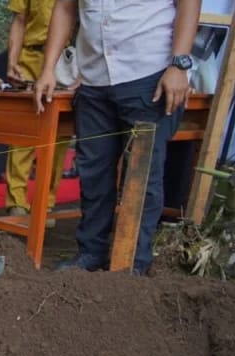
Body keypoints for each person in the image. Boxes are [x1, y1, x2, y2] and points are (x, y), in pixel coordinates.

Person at [36, 0, 199, 275]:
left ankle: (132, 262)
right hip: (93, 78)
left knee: (141, 176)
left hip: (148, 73)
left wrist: (179, 64)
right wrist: (48, 68)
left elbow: (189, 3)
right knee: (93, 171)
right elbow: (65, 7)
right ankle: (90, 253)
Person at [3, 0, 69, 224]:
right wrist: (12, 60)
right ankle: (17, 202)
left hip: (66, 59)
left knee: (60, 135)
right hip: (31, 57)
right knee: (23, 132)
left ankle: (46, 203)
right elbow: (19, 19)